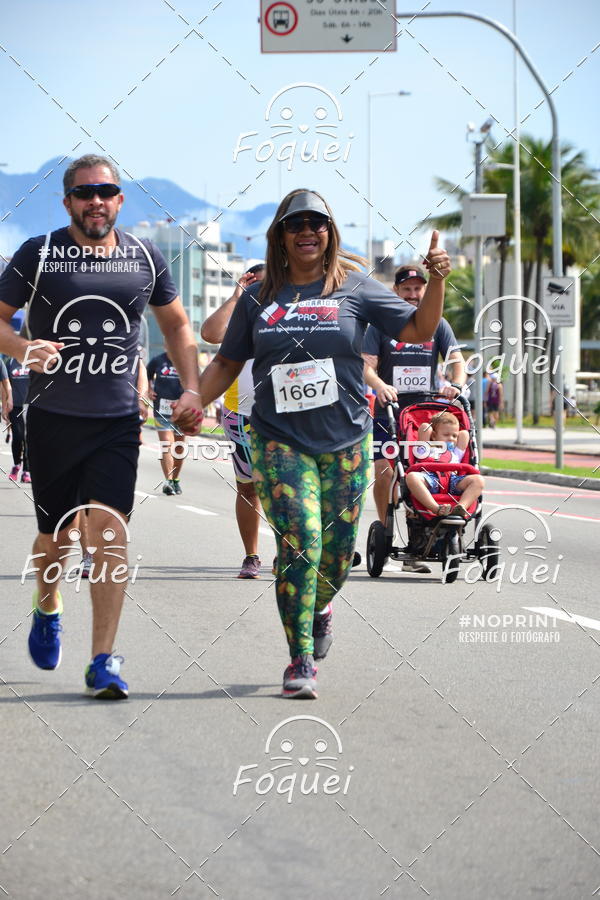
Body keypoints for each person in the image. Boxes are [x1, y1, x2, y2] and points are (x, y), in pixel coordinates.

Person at [196, 189, 450, 698]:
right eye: (295, 224)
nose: (307, 231)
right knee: (299, 541)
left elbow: (421, 329)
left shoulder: (356, 288)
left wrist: (438, 278)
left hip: (346, 440)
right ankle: (300, 659)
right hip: (278, 439)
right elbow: (225, 360)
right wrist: (191, 400)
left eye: (317, 223)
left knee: (333, 556)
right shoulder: (259, 295)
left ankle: (322, 605)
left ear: (330, 232)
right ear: (280, 236)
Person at [0, 154, 202, 700]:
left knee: (109, 535)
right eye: (85, 192)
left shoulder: (143, 257)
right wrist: (23, 347)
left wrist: (191, 388)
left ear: (120, 200)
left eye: (106, 191)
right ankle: (48, 606)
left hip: (116, 419)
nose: (96, 200)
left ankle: (102, 660)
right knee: (56, 535)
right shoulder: (38, 253)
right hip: (52, 418)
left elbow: (178, 324)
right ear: (67, 201)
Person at [362, 263, 465, 573]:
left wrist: (455, 384)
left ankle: (422, 535)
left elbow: (456, 360)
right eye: (407, 289)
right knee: (384, 469)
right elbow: (365, 366)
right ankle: (384, 528)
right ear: (397, 291)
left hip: (425, 415)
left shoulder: (438, 324)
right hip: (389, 411)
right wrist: (379, 385)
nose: (413, 294)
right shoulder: (380, 326)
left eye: (418, 289)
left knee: (423, 470)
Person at [201, 263, 265, 579]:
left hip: (283, 417)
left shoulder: (290, 319)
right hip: (241, 416)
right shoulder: (239, 324)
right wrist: (236, 295)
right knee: (249, 488)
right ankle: (251, 555)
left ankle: (289, 553)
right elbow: (210, 333)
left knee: (286, 488)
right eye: (256, 287)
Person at [405, 410, 484, 518]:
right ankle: (436, 508)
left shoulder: (456, 452)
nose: (451, 439)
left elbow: (464, 434)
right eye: (446, 435)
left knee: (478, 480)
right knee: (412, 477)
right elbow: (424, 428)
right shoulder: (426, 449)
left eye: (454, 436)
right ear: (433, 435)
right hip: (430, 478)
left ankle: (461, 507)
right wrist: (431, 433)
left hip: (453, 480)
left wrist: (457, 431)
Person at [146, 345, 187, 495]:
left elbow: (198, 381)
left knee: (179, 447)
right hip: (162, 409)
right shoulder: (157, 361)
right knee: (166, 444)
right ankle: (168, 481)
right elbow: (146, 374)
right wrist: (149, 389)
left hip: (181, 409)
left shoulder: (186, 361)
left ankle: (175, 480)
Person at [5, 356, 30, 482]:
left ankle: (27, 471)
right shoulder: (10, 362)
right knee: (18, 436)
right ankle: (16, 465)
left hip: (30, 406)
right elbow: (5, 384)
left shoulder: (33, 361)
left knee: (28, 438)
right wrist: (5, 406)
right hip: (15, 406)